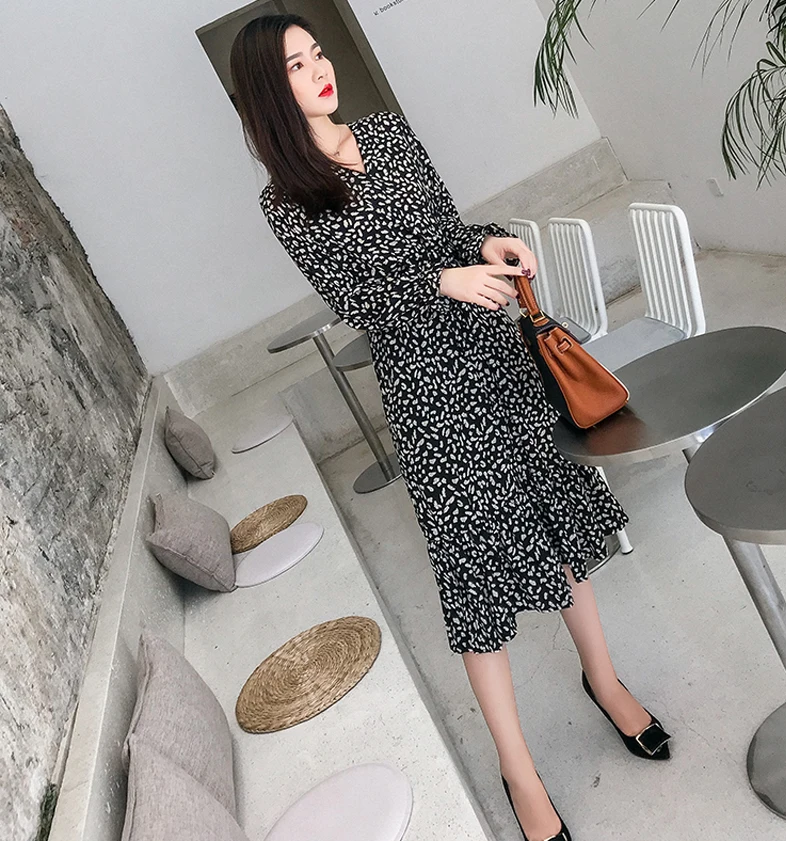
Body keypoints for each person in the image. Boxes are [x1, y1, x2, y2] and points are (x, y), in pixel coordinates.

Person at [230, 15, 672, 841]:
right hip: (430, 398)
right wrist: (443, 280)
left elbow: (448, 230)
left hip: (496, 360)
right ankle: (517, 768)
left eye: (318, 52)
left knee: (559, 520)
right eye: (296, 64)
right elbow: (361, 302)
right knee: (475, 573)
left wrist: (490, 245)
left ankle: (605, 681)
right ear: (267, 90)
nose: (320, 69)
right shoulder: (286, 201)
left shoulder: (388, 134)